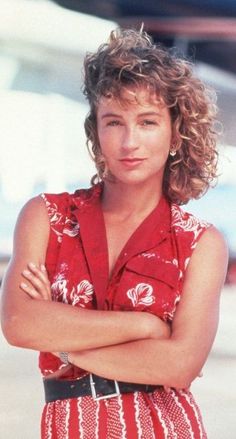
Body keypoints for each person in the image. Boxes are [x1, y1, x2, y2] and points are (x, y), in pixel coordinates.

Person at [1, 28, 228, 439]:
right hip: (68, 425)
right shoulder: (46, 217)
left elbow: (179, 365)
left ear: (175, 133)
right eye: (113, 122)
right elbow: (19, 323)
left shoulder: (200, 243)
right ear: (96, 131)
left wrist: (63, 342)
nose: (129, 141)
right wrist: (144, 326)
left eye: (147, 122)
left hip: (167, 427)